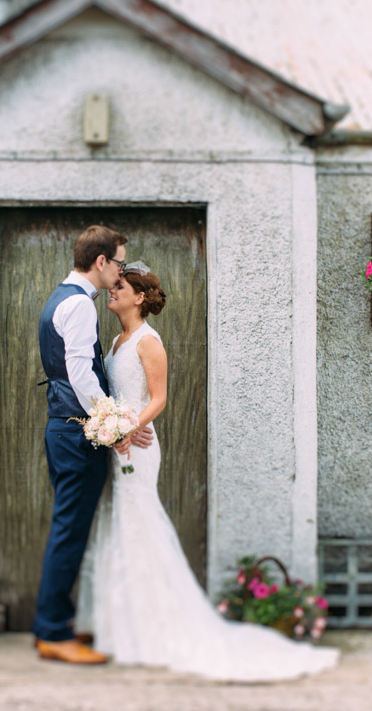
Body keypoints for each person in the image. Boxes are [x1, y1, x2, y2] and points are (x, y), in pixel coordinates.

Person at [75, 262, 340, 681]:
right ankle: (125, 628)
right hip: (117, 442)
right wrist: (111, 430)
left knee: (139, 522)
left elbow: (159, 398)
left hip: (137, 446)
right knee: (118, 526)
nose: (112, 291)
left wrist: (128, 429)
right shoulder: (115, 339)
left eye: (120, 286)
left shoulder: (148, 341)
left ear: (139, 297)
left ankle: (158, 626)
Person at [33, 225, 152, 665]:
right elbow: (81, 376)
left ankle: (55, 624)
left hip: (63, 429)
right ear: (101, 262)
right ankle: (52, 631)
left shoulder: (59, 298)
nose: (121, 270)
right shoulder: (80, 305)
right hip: (75, 432)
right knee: (69, 531)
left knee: (68, 528)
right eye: (120, 262)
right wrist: (117, 425)